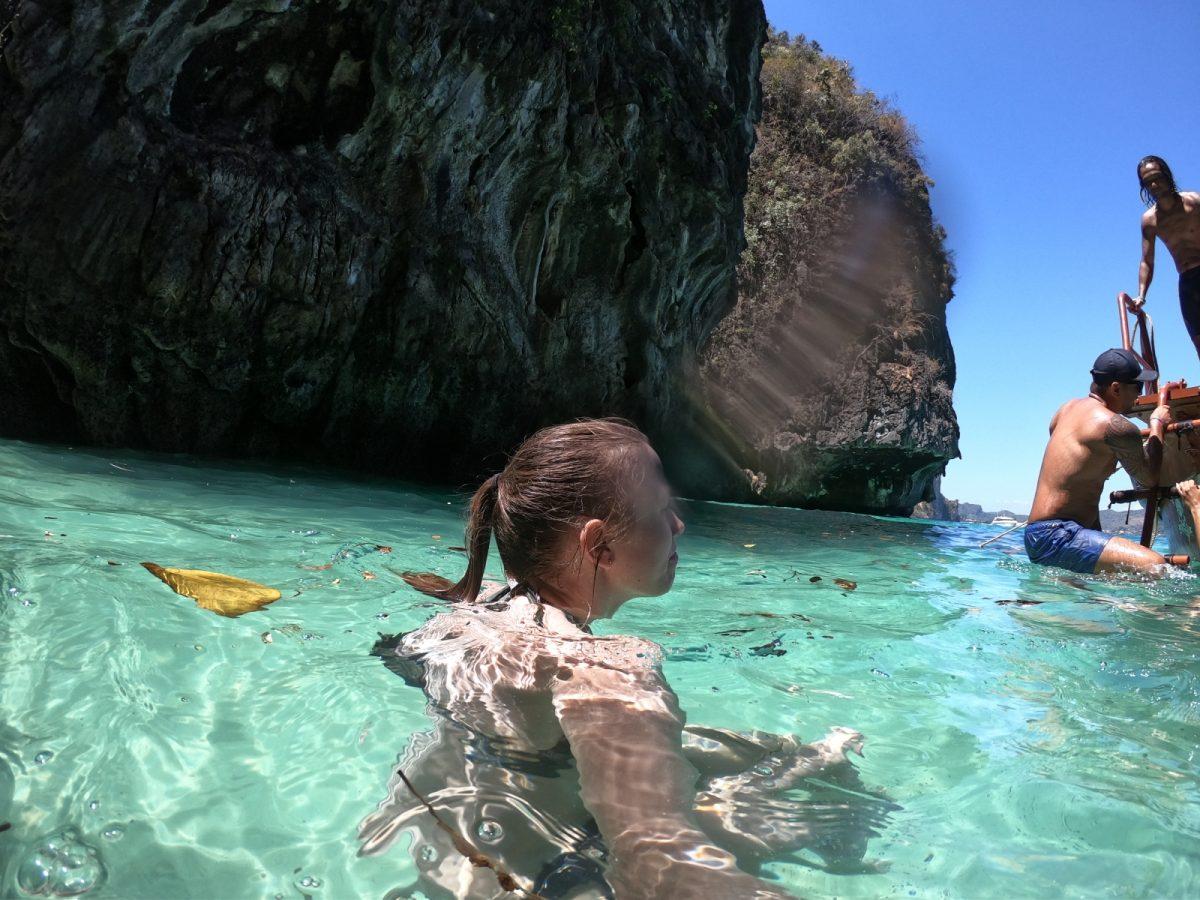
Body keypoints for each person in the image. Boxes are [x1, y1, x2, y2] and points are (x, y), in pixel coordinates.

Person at [358, 419, 885, 899]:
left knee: (783, 752)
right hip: (545, 877)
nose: (677, 525)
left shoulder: (472, 613)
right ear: (599, 545)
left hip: (450, 846)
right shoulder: (604, 670)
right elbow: (656, 866)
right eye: (660, 510)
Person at [1024, 348, 1200, 575]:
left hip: (1038, 534)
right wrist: (1156, 424)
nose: (1138, 396)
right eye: (1136, 387)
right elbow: (1148, 479)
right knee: (1157, 567)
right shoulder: (1117, 426)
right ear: (1116, 388)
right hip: (1058, 535)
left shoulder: (1066, 410)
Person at [1132, 156, 1200, 358]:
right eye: (1148, 182)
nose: (1154, 185)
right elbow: (1147, 261)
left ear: (1167, 176)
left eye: (1157, 178)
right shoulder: (1150, 220)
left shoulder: (1194, 202)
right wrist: (1141, 296)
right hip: (1188, 282)